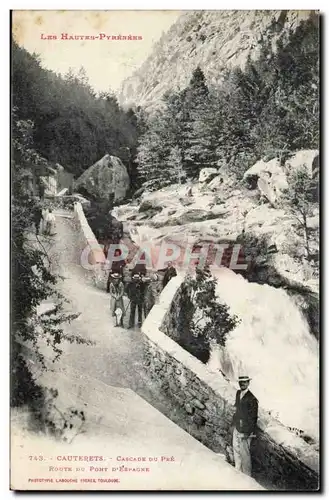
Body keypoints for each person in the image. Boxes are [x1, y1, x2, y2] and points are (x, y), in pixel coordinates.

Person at [232, 375, 258, 477]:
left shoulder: (252, 399)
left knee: (245, 454)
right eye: (241, 382)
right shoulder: (238, 393)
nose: (242, 384)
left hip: (245, 430)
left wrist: (247, 432)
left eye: (244, 382)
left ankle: (247, 476)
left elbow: (253, 418)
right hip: (237, 426)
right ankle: (237, 470)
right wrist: (234, 423)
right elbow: (237, 408)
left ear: (248, 383)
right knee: (236, 449)